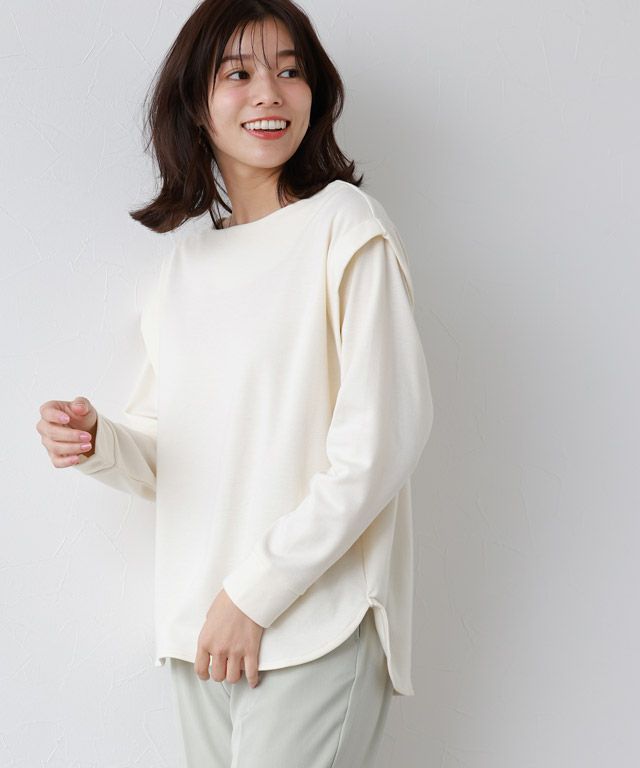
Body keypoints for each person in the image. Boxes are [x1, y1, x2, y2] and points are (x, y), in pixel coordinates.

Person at [36, 1, 434, 766]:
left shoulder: (346, 225)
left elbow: (382, 440)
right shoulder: (183, 268)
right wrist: (96, 440)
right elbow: (172, 453)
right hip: (201, 633)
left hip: (313, 621)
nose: (269, 94)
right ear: (196, 101)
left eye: (290, 71)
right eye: (239, 73)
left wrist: (254, 593)